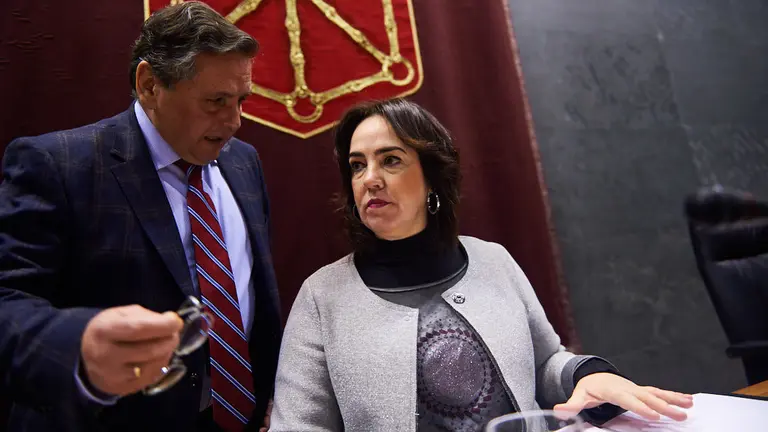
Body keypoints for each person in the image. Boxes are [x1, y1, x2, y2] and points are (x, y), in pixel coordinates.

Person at [269, 99, 694, 431]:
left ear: (433, 177)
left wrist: (588, 375)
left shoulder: (493, 259)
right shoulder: (322, 296)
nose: (369, 179)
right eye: (357, 166)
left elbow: (545, 363)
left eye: (391, 160)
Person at [0, 2, 281, 431]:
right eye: (216, 101)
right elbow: (7, 304)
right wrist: (79, 344)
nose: (235, 121)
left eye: (241, 100)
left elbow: (253, 299)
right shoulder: (58, 166)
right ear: (150, 85)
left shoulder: (245, 163)